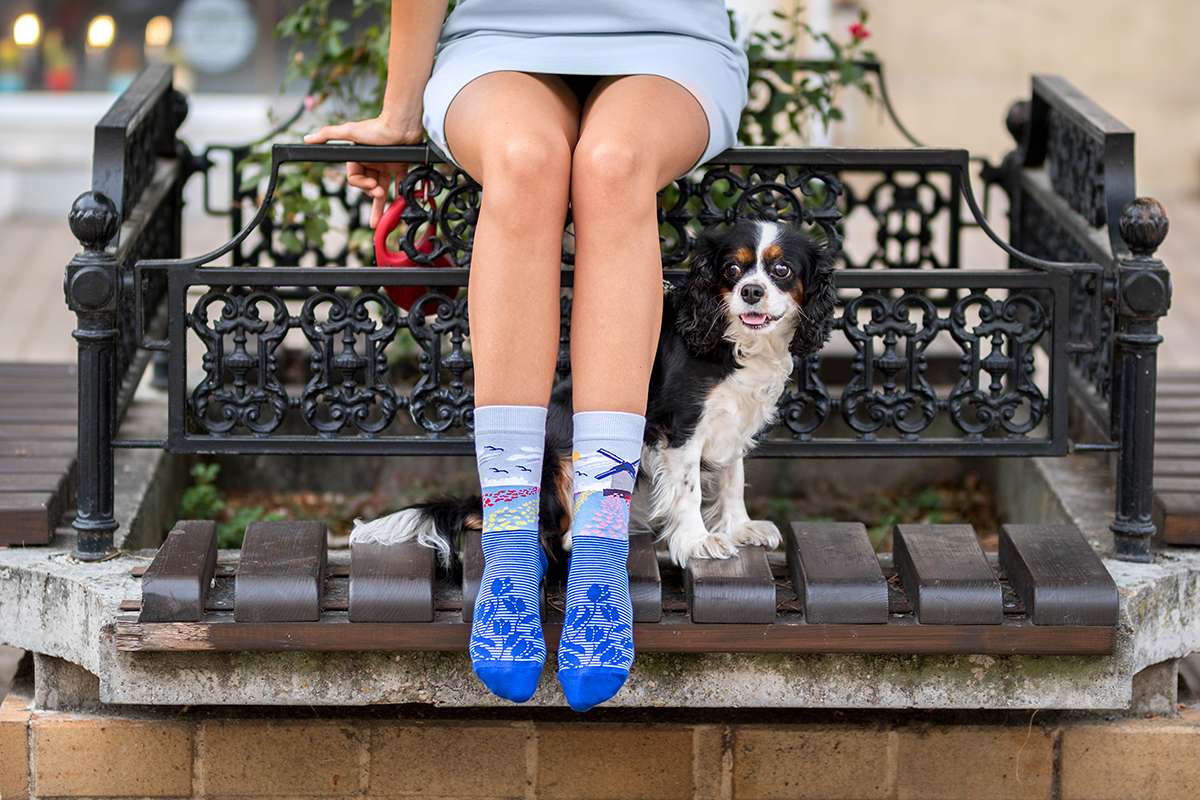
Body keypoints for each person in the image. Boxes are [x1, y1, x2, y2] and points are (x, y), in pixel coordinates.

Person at [306, 0, 749, 711]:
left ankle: (599, 549)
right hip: (500, 34)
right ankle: (512, 543)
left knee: (613, 164)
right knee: (524, 159)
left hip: (669, 36)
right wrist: (397, 115)